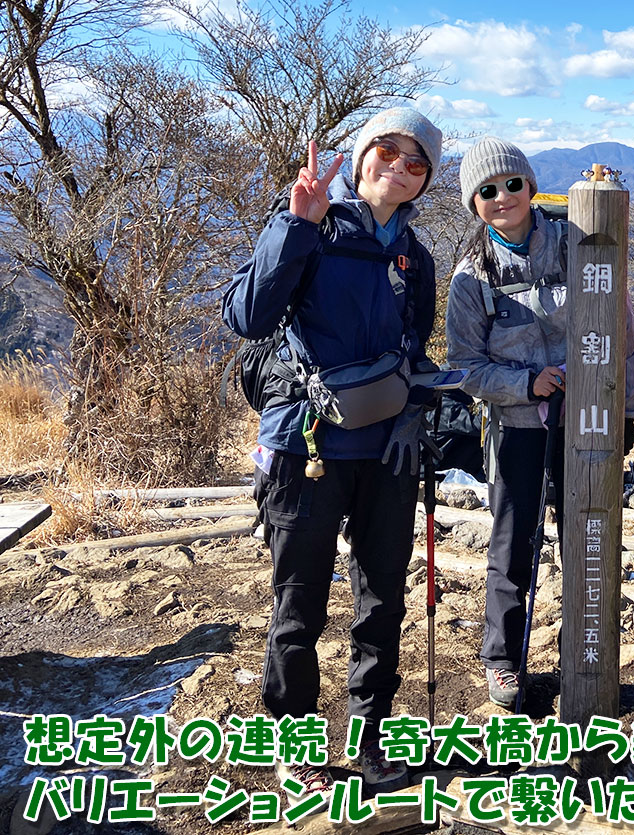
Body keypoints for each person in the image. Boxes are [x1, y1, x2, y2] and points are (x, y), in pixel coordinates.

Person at [222, 106, 442, 791]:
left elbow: (414, 353)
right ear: (361, 151)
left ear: (425, 179)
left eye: (416, 161)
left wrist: (416, 415)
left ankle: (370, 737)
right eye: (388, 149)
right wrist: (295, 223)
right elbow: (246, 316)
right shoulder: (310, 226)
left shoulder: (416, 256)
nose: (398, 167)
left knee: (382, 602)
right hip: (305, 446)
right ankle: (295, 742)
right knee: (301, 602)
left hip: (386, 453)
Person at [444, 136, 634, 710]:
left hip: (590, 421)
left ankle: (587, 654)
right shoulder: (471, 278)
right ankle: (504, 661)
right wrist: (524, 384)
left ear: (530, 186)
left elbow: (623, 334)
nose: (502, 197)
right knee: (513, 543)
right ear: (473, 203)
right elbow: (465, 369)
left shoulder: (579, 244)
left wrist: (624, 412)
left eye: (512, 184)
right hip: (517, 429)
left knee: (587, 534)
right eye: (487, 191)